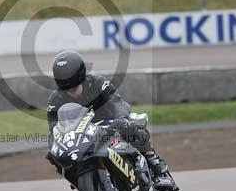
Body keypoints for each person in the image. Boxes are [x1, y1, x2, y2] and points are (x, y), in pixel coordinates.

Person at [46, 50, 170, 182]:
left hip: (109, 125)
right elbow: (55, 129)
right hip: (82, 137)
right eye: (69, 91)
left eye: (75, 89)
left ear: (81, 77)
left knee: (132, 124)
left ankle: (152, 158)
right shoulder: (55, 100)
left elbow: (117, 103)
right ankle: (85, 182)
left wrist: (121, 119)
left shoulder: (98, 83)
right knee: (56, 156)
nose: (73, 94)